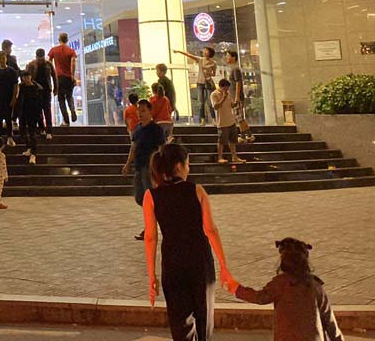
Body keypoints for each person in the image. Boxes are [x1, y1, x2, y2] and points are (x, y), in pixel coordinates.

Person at [144, 142, 235, 341]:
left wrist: (152, 276)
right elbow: (210, 230)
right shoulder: (197, 191)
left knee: (180, 323)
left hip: (172, 264)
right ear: (178, 166)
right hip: (200, 262)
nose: (188, 169)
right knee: (204, 318)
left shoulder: (151, 196)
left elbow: (150, 238)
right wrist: (224, 266)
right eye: (187, 164)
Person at [232, 238, 344, 341]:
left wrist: (237, 289)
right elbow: (329, 321)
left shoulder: (280, 283)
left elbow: (259, 297)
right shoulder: (315, 285)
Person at [122, 99, 166, 240]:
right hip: (139, 166)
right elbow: (133, 147)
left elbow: (161, 149)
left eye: (143, 111)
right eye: (138, 111)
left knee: (149, 197)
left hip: (150, 168)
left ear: (150, 111)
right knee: (140, 197)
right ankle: (152, 221)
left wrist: (159, 167)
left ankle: (150, 227)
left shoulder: (156, 130)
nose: (140, 113)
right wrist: (128, 164)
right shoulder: (137, 129)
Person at [175, 46, 217, 124]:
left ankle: (214, 119)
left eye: (206, 50)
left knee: (210, 102)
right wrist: (179, 51)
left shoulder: (213, 63)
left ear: (210, 53)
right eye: (204, 50)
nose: (204, 51)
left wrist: (208, 73)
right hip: (200, 82)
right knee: (201, 102)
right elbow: (189, 55)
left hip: (208, 83)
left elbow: (214, 74)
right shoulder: (200, 59)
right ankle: (202, 120)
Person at [0, 51, 20, 145]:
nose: (2, 60)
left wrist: (14, 97)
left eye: (3, 58)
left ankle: (9, 137)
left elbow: (15, 85)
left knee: (8, 118)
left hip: (8, 97)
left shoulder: (12, 71)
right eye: (0, 58)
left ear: (6, 59)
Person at [48, 32, 78, 125]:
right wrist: (72, 76)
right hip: (68, 78)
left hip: (59, 78)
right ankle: (72, 110)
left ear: (59, 40)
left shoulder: (54, 50)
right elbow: (73, 63)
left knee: (61, 99)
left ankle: (66, 120)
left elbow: (49, 62)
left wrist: (52, 74)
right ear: (67, 40)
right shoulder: (71, 51)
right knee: (69, 96)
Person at [15, 66, 42, 164]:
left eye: (27, 77)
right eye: (24, 77)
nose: (26, 79)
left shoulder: (36, 87)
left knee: (32, 133)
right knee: (22, 131)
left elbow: (40, 103)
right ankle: (29, 148)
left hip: (33, 113)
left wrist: (40, 116)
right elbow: (18, 101)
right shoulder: (21, 87)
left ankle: (33, 153)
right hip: (23, 113)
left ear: (30, 77)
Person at [212, 77, 243, 165]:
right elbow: (216, 106)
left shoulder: (228, 94)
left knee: (233, 140)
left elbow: (231, 105)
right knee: (221, 141)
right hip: (222, 122)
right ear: (221, 86)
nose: (227, 90)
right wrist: (223, 98)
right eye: (226, 88)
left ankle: (234, 156)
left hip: (231, 120)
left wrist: (235, 103)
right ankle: (220, 157)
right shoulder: (214, 94)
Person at [31, 47, 56, 137]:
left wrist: (55, 88)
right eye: (39, 58)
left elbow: (54, 76)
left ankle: (49, 131)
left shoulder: (49, 64)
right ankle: (41, 128)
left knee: (47, 110)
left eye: (42, 58)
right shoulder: (32, 64)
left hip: (46, 90)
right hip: (36, 91)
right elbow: (28, 77)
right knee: (38, 111)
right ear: (36, 57)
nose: (40, 60)